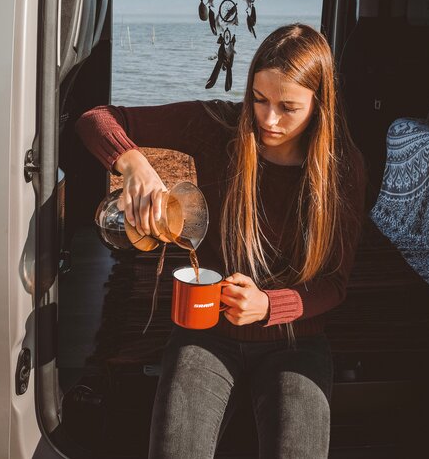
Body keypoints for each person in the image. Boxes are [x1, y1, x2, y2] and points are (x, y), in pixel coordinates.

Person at [76, 23, 366, 459]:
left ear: (319, 106)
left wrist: (269, 305)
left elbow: (334, 284)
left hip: (296, 339)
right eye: (259, 99)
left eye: (288, 107)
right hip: (207, 333)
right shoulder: (217, 125)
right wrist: (132, 163)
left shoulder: (342, 167)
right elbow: (94, 119)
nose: (268, 119)